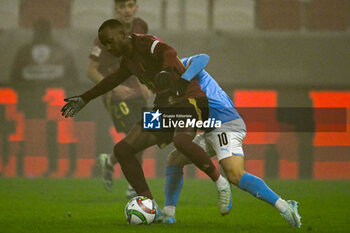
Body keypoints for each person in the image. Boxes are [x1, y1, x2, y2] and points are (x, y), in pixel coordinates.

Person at [61, 19, 232, 216]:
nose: (108, 47)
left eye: (110, 41)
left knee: (181, 140)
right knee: (123, 149)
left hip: (189, 99)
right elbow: (112, 80)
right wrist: (85, 98)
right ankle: (151, 207)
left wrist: (167, 70)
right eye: (104, 44)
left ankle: (221, 183)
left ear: (123, 34)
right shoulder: (127, 61)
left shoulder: (145, 43)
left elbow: (169, 52)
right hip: (164, 106)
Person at [159, 54, 302, 228]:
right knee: (174, 160)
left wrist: (184, 80)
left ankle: (286, 207)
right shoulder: (163, 84)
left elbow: (203, 58)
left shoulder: (179, 66)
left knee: (235, 174)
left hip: (225, 123)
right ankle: (168, 214)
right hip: (210, 129)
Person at [87, 0, 151, 198]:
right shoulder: (105, 35)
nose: (127, 10)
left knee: (148, 132)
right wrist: (115, 88)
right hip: (115, 95)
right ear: (116, 9)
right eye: (122, 7)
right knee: (137, 130)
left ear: (136, 7)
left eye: (130, 6)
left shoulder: (141, 27)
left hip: (137, 92)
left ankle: (110, 161)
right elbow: (91, 71)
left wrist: (144, 83)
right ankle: (134, 185)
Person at [10, 18, 79, 177]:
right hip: (30, 103)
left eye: (44, 30)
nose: (41, 34)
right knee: (28, 136)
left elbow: (73, 79)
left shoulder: (61, 52)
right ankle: (22, 169)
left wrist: (58, 91)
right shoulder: (25, 52)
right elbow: (15, 78)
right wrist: (28, 91)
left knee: (53, 136)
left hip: (54, 104)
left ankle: (54, 168)